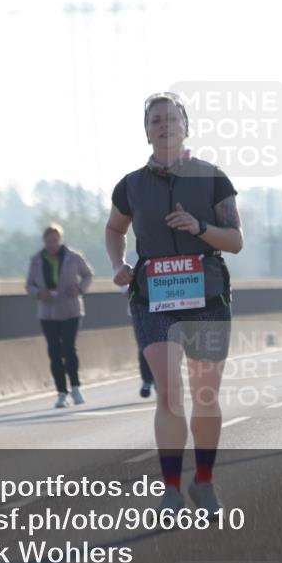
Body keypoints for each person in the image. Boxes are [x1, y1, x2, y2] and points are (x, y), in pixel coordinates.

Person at [105, 91, 243, 516]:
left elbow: (235, 241)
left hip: (205, 293)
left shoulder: (212, 177)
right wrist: (119, 262)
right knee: (168, 393)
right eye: (155, 121)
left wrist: (199, 227)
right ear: (146, 134)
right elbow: (114, 229)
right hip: (153, 296)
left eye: (171, 118)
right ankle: (169, 489)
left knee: (205, 394)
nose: (163, 125)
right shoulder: (130, 185)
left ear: (186, 125)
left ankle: (203, 482)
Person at [25, 224, 94, 408]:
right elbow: (29, 285)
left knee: (69, 349)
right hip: (47, 312)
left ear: (60, 240)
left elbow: (88, 275)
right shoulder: (36, 260)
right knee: (54, 352)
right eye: (48, 241)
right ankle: (61, 393)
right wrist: (39, 293)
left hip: (71, 309)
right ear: (44, 241)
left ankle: (76, 388)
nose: (52, 244)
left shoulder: (73, 257)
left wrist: (79, 289)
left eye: (55, 240)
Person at [123, 251, 155, 398]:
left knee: (166, 346)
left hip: (164, 306)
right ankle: (147, 380)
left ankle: (163, 380)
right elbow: (123, 282)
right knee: (145, 346)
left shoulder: (166, 249)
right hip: (140, 307)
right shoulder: (129, 257)